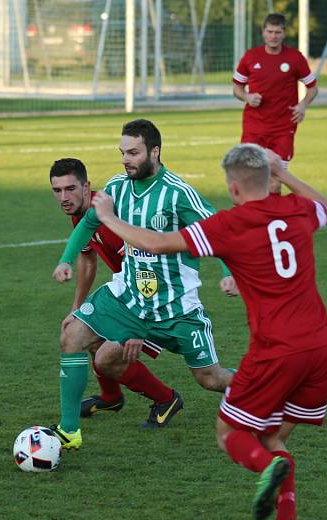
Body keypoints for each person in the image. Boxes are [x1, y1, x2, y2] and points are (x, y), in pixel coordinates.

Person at [91, 144, 327, 520]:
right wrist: (284, 173)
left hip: (277, 351)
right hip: (323, 350)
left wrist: (107, 216)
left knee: (230, 433)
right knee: (273, 438)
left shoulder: (230, 224)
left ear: (233, 187)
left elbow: (155, 244)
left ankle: (264, 469)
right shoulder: (298, 211)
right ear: (267, 178)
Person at [51, 119, 237, 449]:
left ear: (155, 151)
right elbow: (88, 223)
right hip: (130, 297)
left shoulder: (177, 193)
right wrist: (66, 258)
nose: (126, 159)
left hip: (175, 307)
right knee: (73, 336)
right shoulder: (117, 188)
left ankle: (267, 388)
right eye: (122, 152)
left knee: (210, 378)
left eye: (133, 152)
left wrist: (228, 271)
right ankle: (69, 431)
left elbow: (216, 233)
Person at [50, 157, 173, 419]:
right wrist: (78, 308)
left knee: (106, 358)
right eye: (57, 190)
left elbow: (146, 267)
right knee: (83, 332)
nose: (63, 197)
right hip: (126, 289)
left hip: (155, 293)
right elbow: (87, 258)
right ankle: (111, 397)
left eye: (70, 189)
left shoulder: (110, 219)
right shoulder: (83, 213)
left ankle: (167, 399)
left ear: (86, 187)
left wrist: (137, 326)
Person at [233, 13, 318, 193]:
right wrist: (247, 97)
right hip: (254, 126)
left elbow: (312, 87)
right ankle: (247, 217)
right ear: (263, 32)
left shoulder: (295, 58)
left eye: (277, 32)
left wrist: (303, 105)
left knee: (275, 175)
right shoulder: (251, 57)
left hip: (283, 128)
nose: (273, 36)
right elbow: (237, 88)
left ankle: (272, 217)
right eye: (270, 31)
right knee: (248, 174)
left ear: (284, 33)